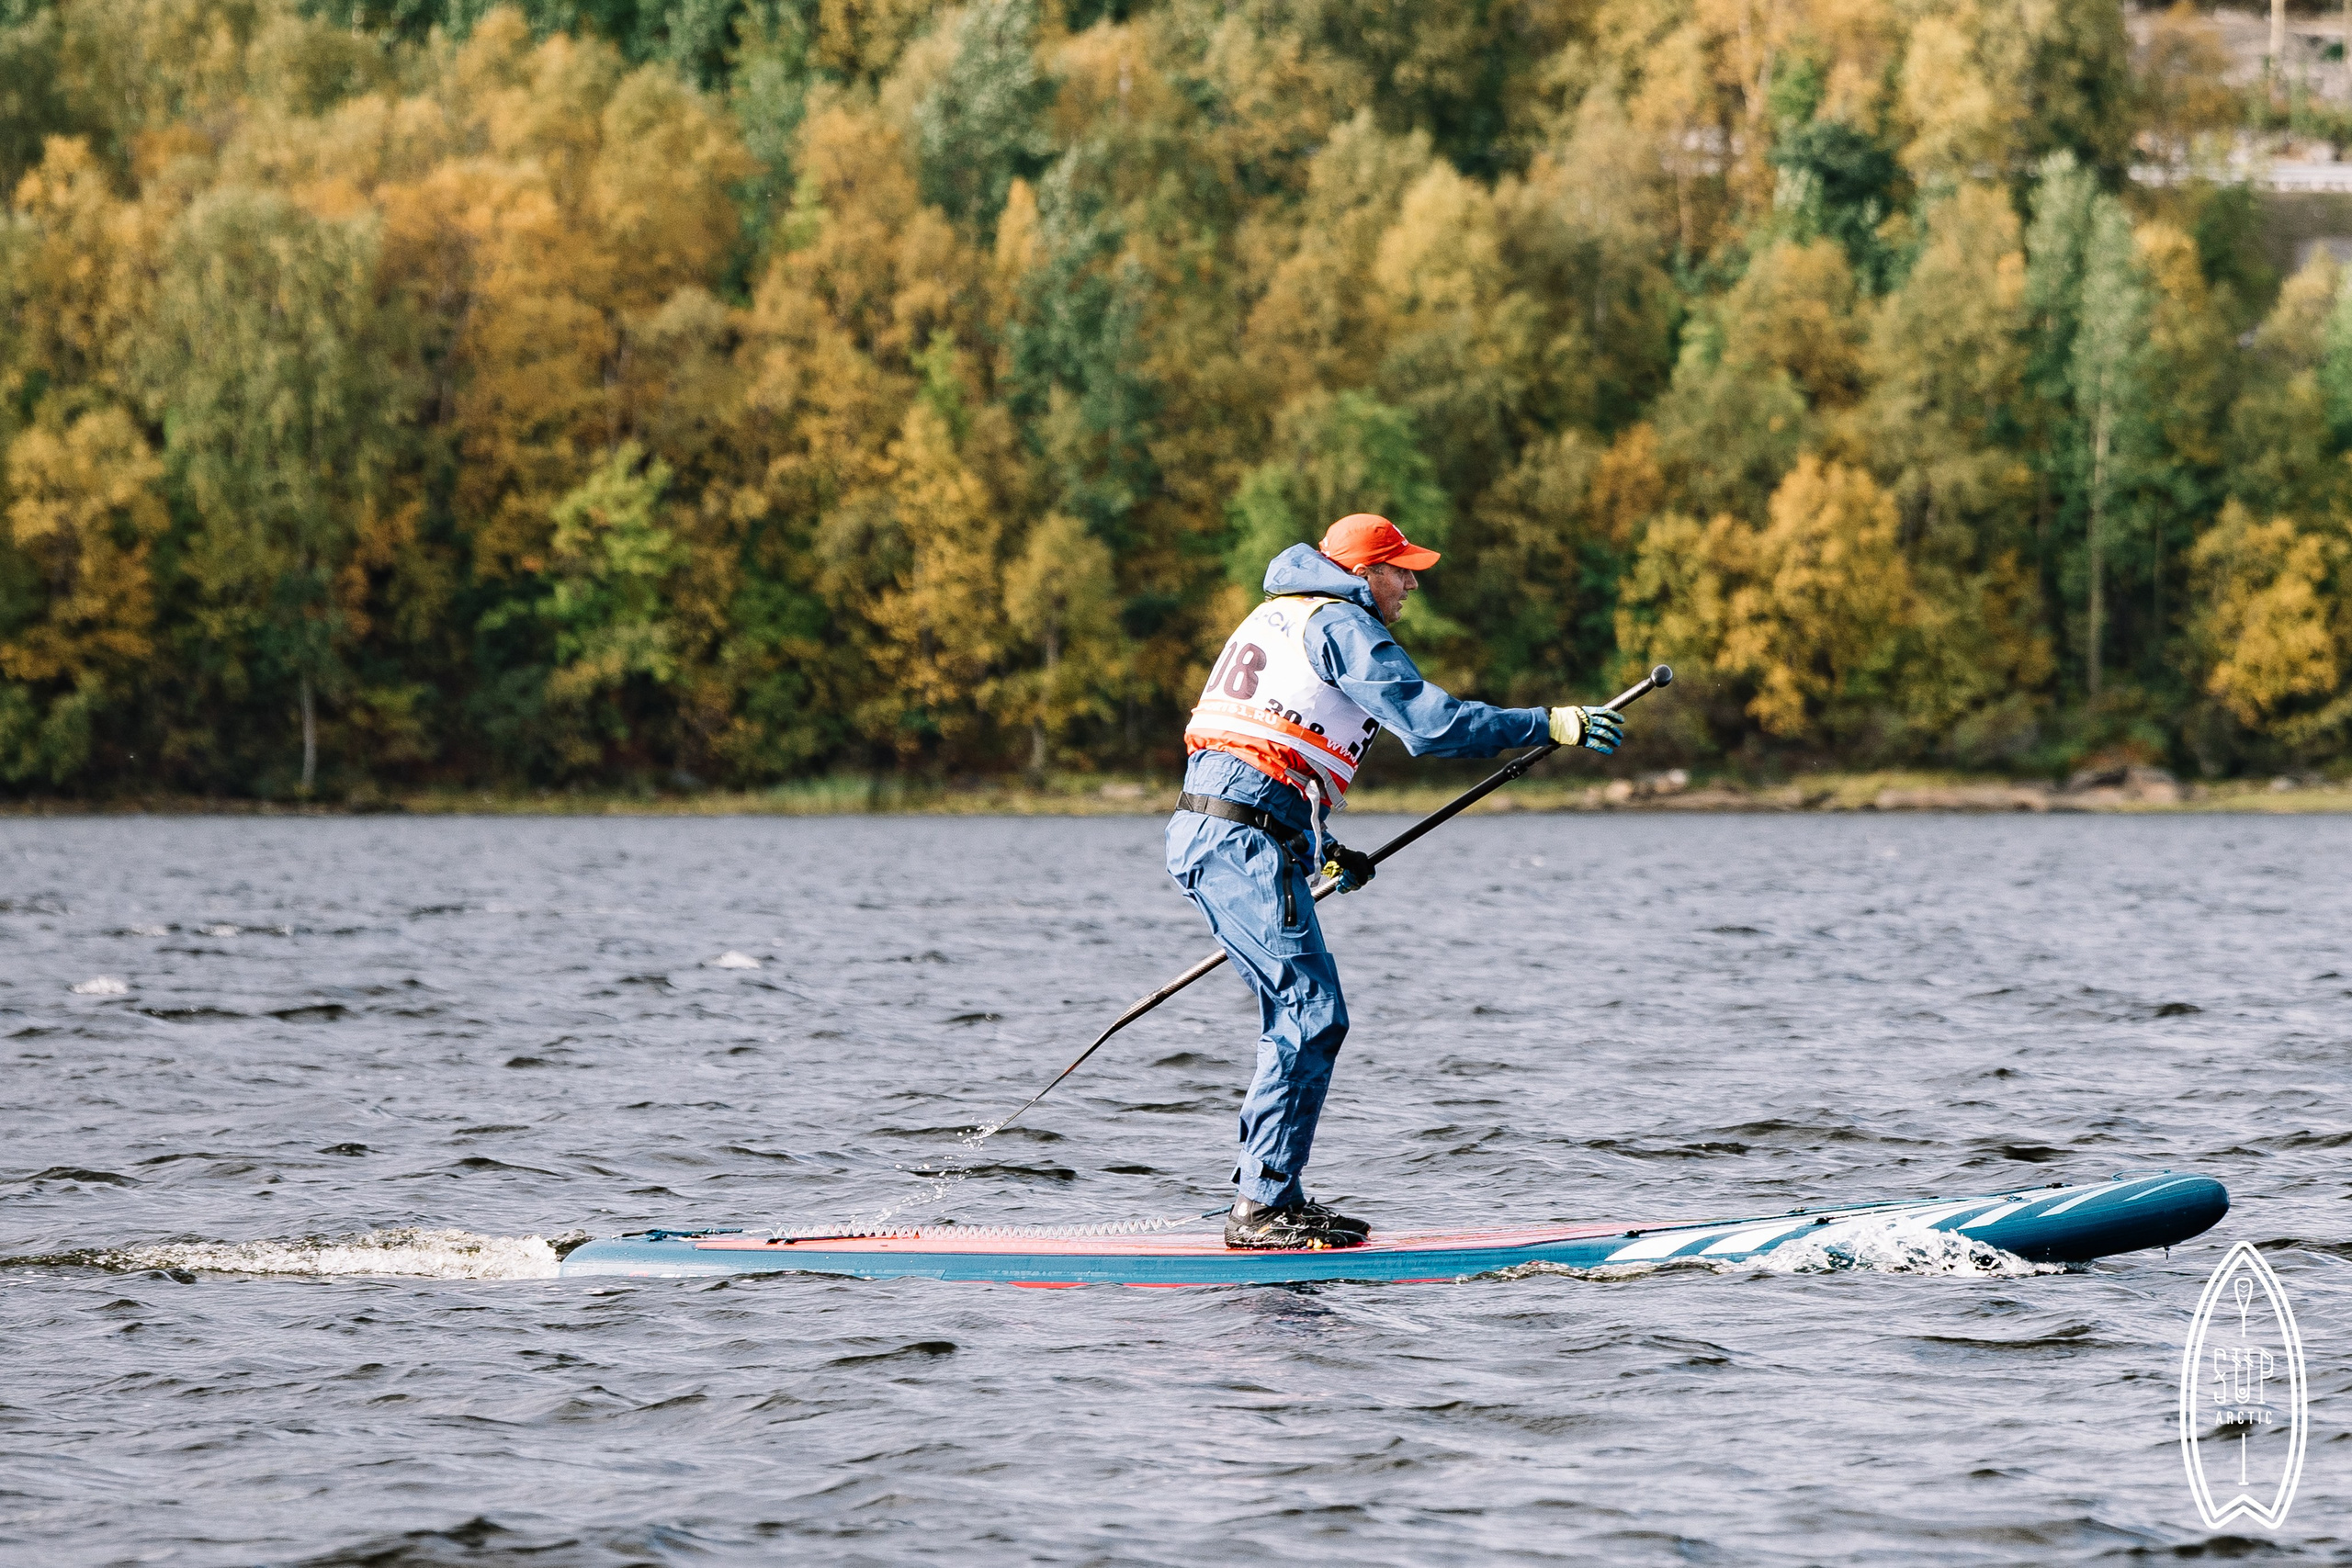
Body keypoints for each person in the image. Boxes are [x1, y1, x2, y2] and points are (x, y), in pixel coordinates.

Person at [1167, 513, 1628, 1250]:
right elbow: (1430, 724)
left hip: (1234, 832)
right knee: (1312, 1012)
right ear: (1360, 574)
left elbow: (1260, 750)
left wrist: (1321, 848)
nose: (1411, 583)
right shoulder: (1341, 623)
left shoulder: (1282, 613)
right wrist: (1549, 722)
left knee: (1302, 1012)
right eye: (1399, 570)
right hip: (1237, 842)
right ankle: (1261, 1209)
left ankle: (1270, 1195)